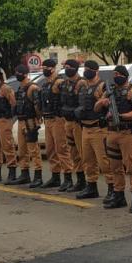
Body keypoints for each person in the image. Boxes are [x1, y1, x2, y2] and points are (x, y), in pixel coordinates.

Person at [101, 65, 132, 212]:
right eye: (114, 74)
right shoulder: (110, 92)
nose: (116, 76)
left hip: (127, 133)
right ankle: (119, 197)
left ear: (125, 76)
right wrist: (103, 103)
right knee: (115, 167)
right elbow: (96, 108)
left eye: (119, 74)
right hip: (112, 132)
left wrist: (121, 116)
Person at [74, 60, 110, 200]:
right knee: (88, 160)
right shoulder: (83, 86)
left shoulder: (102, 86)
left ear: (96, 71)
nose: (86, 71)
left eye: (89, 69)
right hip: (85, 128)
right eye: (85, 68)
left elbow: (107, 106)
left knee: (104, 161)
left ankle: (112, 188)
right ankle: (91, 187)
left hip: (98, 129)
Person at [9, 65, 43, 187]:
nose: (17, 74)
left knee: (33, 149)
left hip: (30, 122)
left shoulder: (32, 88)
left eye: (18, 72)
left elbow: (38, 107)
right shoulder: (21, 88)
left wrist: (37, 121)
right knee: (22, 150)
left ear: (24, 74)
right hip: (21, 120)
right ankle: (25, 174)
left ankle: (38, 176)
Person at [38, 59, 68, 189]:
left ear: (52, 68)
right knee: (50, 150)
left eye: (46, 67)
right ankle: (55, 176)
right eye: (43, 67)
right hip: (48, 119)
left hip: (58, 119)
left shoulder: (59, 82)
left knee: (61, 148)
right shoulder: (45, 84)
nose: (44, 69)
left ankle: (68, 178)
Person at [59, 59, 84, 192]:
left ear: (75, 68)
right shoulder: (64, 84)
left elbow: (83, 104)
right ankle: (79, 180)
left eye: (69, 67)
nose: (66, 69)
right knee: (73, 152)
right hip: (67, 122)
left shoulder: (81, 83)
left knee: (82, 152)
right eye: (65, 67)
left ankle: (87, 181)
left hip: (78, 123)